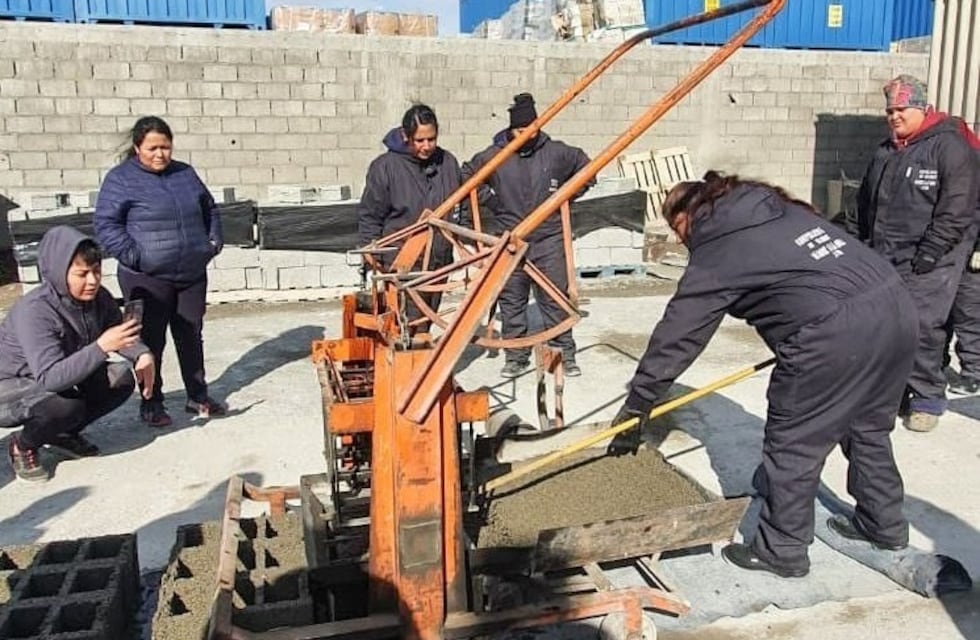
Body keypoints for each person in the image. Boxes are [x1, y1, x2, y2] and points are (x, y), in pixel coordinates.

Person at [610, 172, 917, 578]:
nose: (681, 241)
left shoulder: (719, 245)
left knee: (792, 445)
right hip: (894, 308)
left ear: (688, 215)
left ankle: (782, 551)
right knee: (868, 429)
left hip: (835, 331)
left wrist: (639, 404)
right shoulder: (773, 208)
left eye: (675, 228)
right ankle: (884, 527)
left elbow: (678, 336)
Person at [855, 75, 980, 432]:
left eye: (901, 109)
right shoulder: (886, 151)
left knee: (922, 326)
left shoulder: (949, 148)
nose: (894, 116)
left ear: (922, 108)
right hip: (886, 253)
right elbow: (863, 205)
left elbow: (957, 209)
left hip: (934, 257)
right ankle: (892, 394)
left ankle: (927, 398)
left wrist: (930, 253)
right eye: (889, 110)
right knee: (886, 326)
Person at [94, 116, 225, 427]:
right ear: (138, 147)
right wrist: (135, 256)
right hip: (146, 278)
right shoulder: (120, 179)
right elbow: (105, 224)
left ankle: (198, 395)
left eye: (165, 147)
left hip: (191, 273)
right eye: (152, 147)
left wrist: (212, 242)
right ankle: (152, 403)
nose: (160, 154)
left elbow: (210, 209)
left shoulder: (185, 173)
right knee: (150, 342)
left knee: (191, 335)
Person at [0, 226, 156, 482]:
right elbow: (51, 378)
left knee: (121, 378)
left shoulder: (98, 298)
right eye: (82, 274)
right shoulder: (36, 311)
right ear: (60, 272)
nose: (93, 281)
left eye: (96, 271)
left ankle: (61, 434)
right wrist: (101, 347)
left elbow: (118, 332)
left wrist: (141, 354)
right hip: (10, 388)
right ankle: (23, 445)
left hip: (52, 379)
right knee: (65, 406)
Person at [464, 93, 594, 378]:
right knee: (512, 299)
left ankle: (564, 354)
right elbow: (467, 176)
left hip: (549, 238)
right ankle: (516, 356)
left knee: (554, 296)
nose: (528, 135)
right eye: (521, 130)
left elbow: (588, 169)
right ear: (512, 130)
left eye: (532, 128)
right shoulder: (495, 155)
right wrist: (492, 201)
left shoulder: (557, 152)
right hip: (510, 239)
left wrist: (564, 197)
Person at [357, 104, 466, 332]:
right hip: (401, 261)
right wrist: (371, 255)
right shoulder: (385, 167)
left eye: (431, 139)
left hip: (437, 259)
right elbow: (370, 215)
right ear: (406, 136)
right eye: (420, 140)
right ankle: (410, 363)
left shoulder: (448, 163)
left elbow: (460, 205)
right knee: (404, 324)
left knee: (426, 320)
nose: (427, 146)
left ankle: (421, 360)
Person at [944, 241, 980, 395]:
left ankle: (974, 372)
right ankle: (937, 364)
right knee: (939, 312)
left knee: (968, 313)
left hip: (971, 246)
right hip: (942, 246)